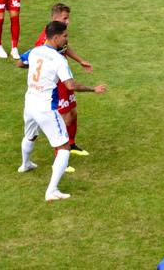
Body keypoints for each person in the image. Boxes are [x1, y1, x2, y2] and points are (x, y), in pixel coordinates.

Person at [18, 21, 106, 202]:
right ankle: (52, 190)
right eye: (65, 36)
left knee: (30, 135)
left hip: (30, 102)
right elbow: (71, 85)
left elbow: (20, 63)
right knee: (64, 147)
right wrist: (93, 89)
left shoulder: (35, 51)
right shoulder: (58, 59)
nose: (67, 39)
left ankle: (25, 164)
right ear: (56, 37)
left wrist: (36, 68)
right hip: (46, 107)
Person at [18, 3, 95, 159]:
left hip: (65, 77)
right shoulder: (44, 40)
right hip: (56, 83)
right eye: (65, 18)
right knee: (65, 117)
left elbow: (65, 47)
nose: (68, 22)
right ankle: (60, 155)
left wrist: (80, 61)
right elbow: (32, 61)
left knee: (73, 112)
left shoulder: (60, 35)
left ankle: (71, 145)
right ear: (54, 18)